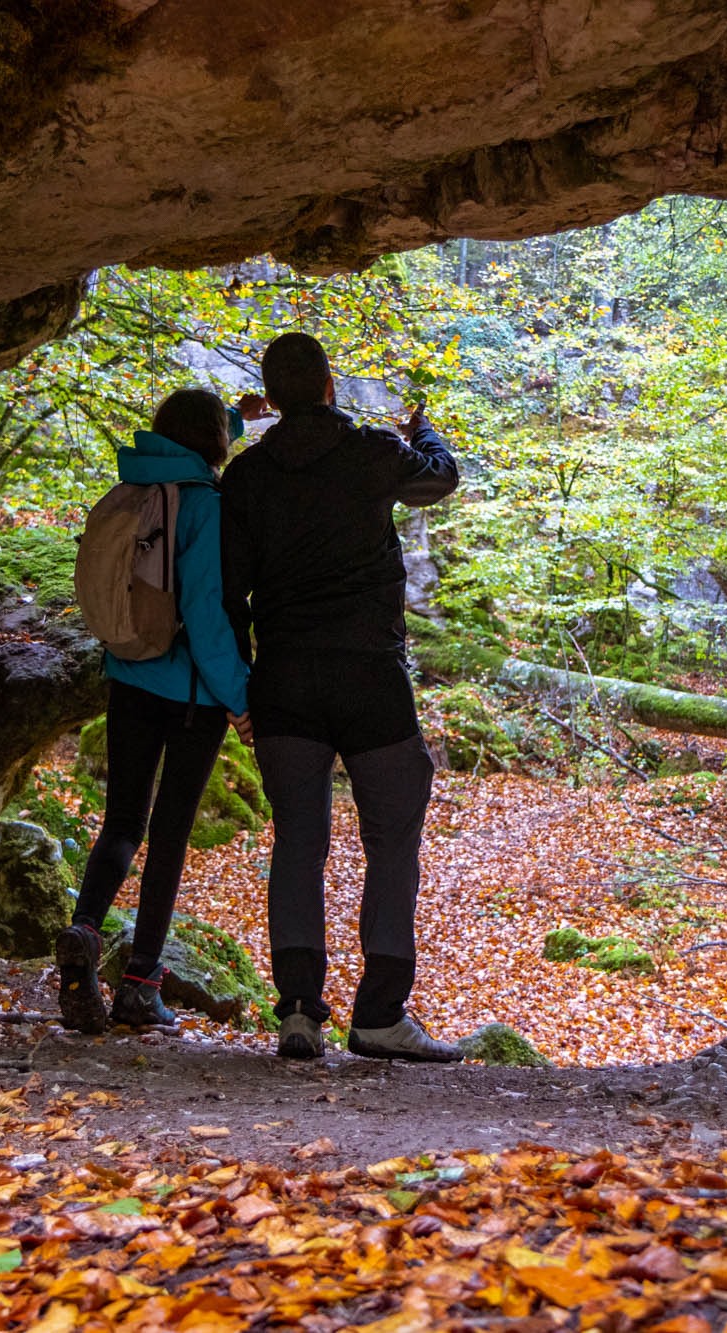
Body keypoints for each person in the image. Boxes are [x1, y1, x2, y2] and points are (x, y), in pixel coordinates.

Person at [220, 332, 462, 1062]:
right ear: (329, 387)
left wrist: (239, 686)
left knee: (298, 840)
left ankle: (298, 1011)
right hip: (369, 677)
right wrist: (420, 429)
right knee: (393, 837)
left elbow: (229, 593)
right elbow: (440, 478)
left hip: (285, 677)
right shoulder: (370, 451)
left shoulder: (247, 475)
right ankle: (380, 1013)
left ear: (271, 397)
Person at [56, 388, 265, 1033]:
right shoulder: (204, 505)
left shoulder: (137, 487)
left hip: (129, 676)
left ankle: (85, 931)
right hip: (192, 698)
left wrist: (238, 417)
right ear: (212, 443)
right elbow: (205, 616)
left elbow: (193, 441)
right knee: (169, 835)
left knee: (122, 822)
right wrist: (241, 701)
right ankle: (140, 987)